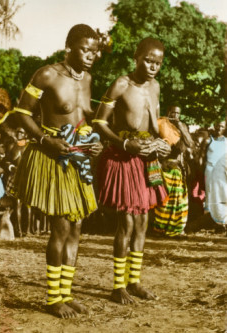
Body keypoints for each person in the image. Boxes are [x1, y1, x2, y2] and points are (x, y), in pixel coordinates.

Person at [11, 24, 102, 318]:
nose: (91, 55)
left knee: (76, 225)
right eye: (85, 49)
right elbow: (22, 112)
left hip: (77, 156)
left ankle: (66, 293)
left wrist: (93, 140)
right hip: (52, 155)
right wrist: (44, 140)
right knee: (62, 226)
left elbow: (83, 115)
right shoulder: (46, 74)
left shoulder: (87, 78)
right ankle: (53, 298)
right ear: (69, 48)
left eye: (95, 50)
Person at [94, 37, 170, 304]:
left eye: (158, 63)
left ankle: (134, 281)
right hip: (123, 155)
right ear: (136, 56)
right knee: (126, 221)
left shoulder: (156, 86)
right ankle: (118, 286)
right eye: (148, 60)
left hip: (147, 158)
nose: (152, 67)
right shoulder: (121, 84)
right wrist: (124, 142)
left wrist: (163, 143)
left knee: (142, 221)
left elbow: (154, 123)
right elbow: (98, 121)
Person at [154, 105, 194, 237]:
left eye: (178, 113)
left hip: (178, 168)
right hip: (163, 167)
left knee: (179, 201)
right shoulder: (160, 123)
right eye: (173, 112)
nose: (175, 115)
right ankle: (160, 229)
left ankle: (176, 229)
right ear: (168, 112)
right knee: (164, 200)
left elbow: (189, 145)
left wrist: (181, 128)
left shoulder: (181, 127)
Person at [204, 120, 226, 227]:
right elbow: (201, 157)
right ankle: (211, 220)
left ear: (225, 128)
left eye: (222, 126)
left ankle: (222, 221)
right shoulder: (208, 140)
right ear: (214, 126)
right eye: (218, 126)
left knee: (222, 194)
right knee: (210, 194)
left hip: (222, 172)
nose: (219, 128)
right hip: (209, 171)